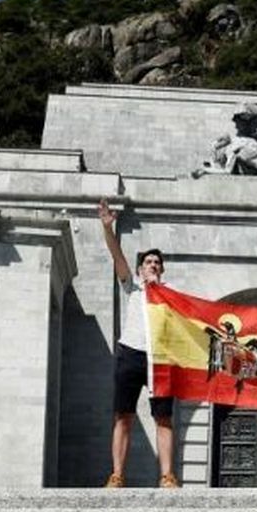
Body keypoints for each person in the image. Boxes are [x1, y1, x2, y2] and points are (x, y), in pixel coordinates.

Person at [98, 198, 178, 488]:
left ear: (162, 270)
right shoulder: (131, 285)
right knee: (123, 415)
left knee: (164, 418)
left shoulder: (172, 294)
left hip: (161, 358)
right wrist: (108, 229)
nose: (153, 266)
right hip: (130, 354)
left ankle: (167, 476)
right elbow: (116, 255)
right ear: (141, 269)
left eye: (157, 263)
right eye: (148, 262)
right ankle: (117, 474)